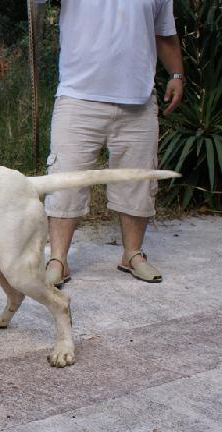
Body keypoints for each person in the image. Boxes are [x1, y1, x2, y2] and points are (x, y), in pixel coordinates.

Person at [34, 0, 184, 286]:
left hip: (138, 101)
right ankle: (57, 260)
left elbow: (164, 32)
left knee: (138, 182)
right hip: (78, 99)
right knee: (66, 182)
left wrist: (176, 74)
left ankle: (132, 254)